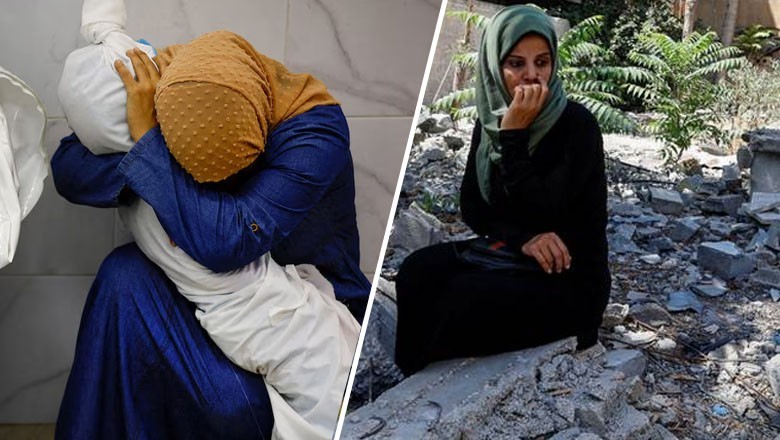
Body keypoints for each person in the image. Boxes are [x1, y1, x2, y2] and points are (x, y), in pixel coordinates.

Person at [52, 32, 370, 440]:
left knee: (230, 402)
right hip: (211, 298)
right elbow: (68, 167)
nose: (207, 181)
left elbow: (226, 241)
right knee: (124, 273)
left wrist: (149, 146)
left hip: (300, 313)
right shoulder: (184, 91)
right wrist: (145, 135)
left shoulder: (315, 135)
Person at [394, 4, 611, 376]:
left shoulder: (576, 124)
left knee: (462, 298)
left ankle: (430, 380)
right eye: (516, 64)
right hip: (515, 253)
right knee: (417, 271)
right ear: (496, 65)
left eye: (542, 63)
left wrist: (514, 138)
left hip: (568, 276)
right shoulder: (492, 119)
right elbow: (474, 208)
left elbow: (548, 210)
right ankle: (409, 375)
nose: (532, 77)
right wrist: (523, 237)